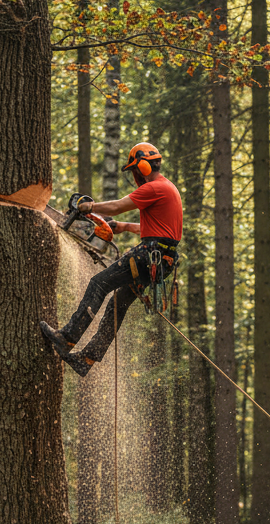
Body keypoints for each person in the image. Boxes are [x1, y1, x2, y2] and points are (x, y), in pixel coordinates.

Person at [40, 142, 182, 376]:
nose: (135, 176)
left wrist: (89, 207)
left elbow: (116, 206)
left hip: (149, 255)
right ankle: (87, 359)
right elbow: (161, 229)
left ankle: (67, 337)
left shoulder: (154, 188)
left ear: (143, 166)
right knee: (119, 303)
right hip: (161, 259)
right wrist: (124, 227)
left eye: (135, 170)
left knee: (99, 283)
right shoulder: (168, 188)